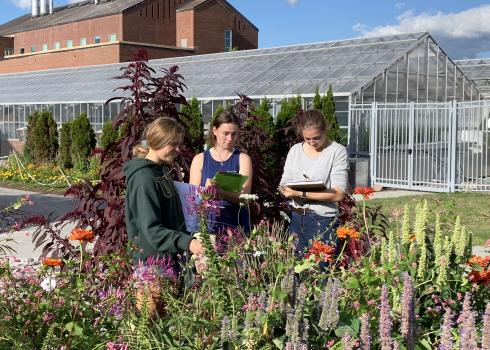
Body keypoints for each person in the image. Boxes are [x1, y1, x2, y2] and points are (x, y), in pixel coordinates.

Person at [124, 117, 204, 265]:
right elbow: (152, 229)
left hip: (170, 258)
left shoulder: (161, 172)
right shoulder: (143, 178)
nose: (178, 149)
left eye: (179, 144)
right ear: (158, 141)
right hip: (153, 266)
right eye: (173, 144)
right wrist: (188, 242)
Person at [279, 109, 349, 254]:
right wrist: (284, 190)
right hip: (296, 217)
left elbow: (338, 194)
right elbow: (284, 182)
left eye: (316, 138)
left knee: (319, 271)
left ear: (325, 130)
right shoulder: (295, 150)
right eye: (307, 138)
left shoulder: (337, 151)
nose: (312, 142)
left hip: (321, 220)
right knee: (297, 269)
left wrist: (301, 193)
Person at [189, 110, 253, 233]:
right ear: (215, 131)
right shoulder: (200, 159)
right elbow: (192, 198)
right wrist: (206, 192)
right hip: (207, 225)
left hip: (236, 225)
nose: (230, 138)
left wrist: (219, 192)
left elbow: (245, 198)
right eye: (226, 133)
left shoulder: (243, 159)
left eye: (234, 134)